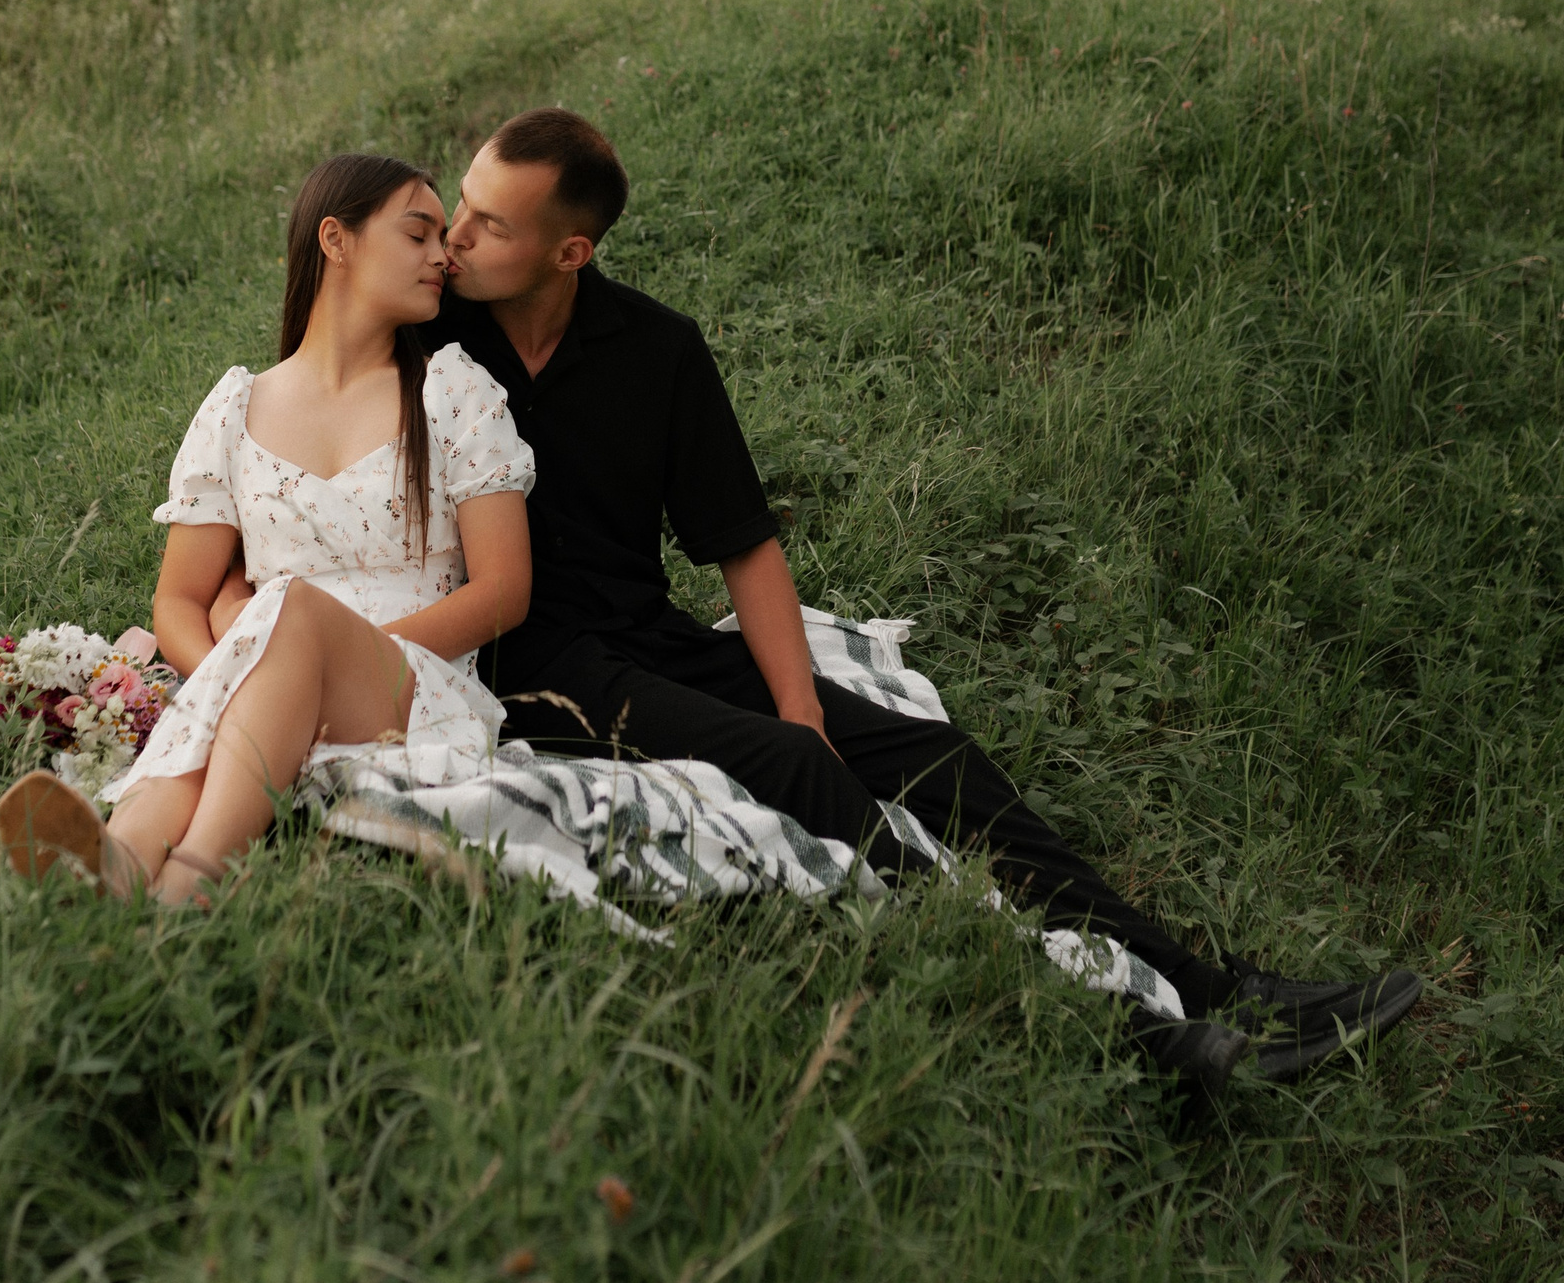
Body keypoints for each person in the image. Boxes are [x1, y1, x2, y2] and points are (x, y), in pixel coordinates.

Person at [416, 106, 1421, 1094]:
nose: (455, 237)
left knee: (931, 757)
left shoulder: (655, 349)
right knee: (794, 769)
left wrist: (803, 703)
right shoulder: (423, 335)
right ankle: (1135, 1037)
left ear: (572, 252)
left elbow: (743, 545)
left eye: (490, 223)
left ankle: (1206, 984)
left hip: (649, 639)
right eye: (462, 205)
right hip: (528, 666)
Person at [0, 152, 533, 905]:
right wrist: (242, 672)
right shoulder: (235, 409)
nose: (442, 255)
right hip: (263, 666)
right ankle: (120, 858)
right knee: (278, 630)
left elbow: (505, 591)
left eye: (442, 239)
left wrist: (324, 651)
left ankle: (191, 879)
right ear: (336, 240)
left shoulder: (451, 389)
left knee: (291, 613)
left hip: (411, 684)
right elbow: (179, 601)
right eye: (419, 235)